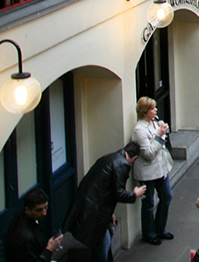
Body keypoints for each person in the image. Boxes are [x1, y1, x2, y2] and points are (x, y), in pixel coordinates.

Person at [63, 142, 146, 262]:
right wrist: (134, 194)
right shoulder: (122, 164)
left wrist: (108, 214)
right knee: (102, 244)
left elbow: (103, 189)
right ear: (135, 158)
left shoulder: (109, 158)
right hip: (95, 212)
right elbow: (119, 193)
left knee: (104, 239)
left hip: (92, 207)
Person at [131, 97, 174, 244]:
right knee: (148, 204)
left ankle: (160, 229)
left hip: (161, 169)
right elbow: (148, 154)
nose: (156, 110)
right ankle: (149, 233)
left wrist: (162, 131)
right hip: (148, 173)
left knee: (166, 197)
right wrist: (159, 135)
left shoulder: (154, 123)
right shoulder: (139, 130)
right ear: (145, 112)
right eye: (152, 108)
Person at [5, 188, 63, 262]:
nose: (44, 213)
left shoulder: (24, 218)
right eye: (39, 210)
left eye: (46, 207)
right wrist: (49, 249)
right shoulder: (24, 237)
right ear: (28, 210)